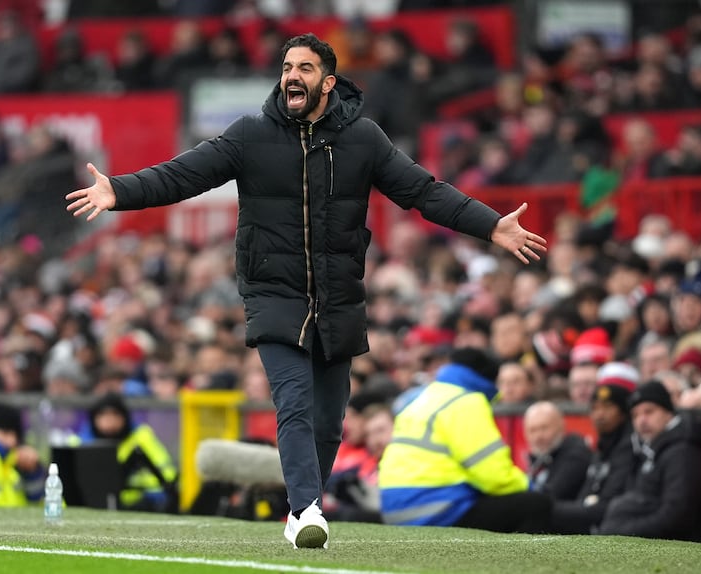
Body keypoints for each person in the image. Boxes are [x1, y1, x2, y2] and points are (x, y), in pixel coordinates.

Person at [66, 33, 547, 549]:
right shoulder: (250, 135)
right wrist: (119, 191)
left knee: (329, 419)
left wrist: (492, 226)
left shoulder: (364, 139)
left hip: (339, 298)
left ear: (328, 82)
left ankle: (303, 508)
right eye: (287, 66)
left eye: (305, 68)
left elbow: (424, 192)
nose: (292, 75)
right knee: (293, 402)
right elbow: (185, 175)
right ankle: (306, 508)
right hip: (273, 294)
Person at [378, 348, 551, 533]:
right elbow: (493, 475)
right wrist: (530, 485)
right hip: (437, 508)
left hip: (393, 508)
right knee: (537, 504)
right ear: (488, 380)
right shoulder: (467, 401)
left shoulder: (423, 397)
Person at [598, 380, 701, 540]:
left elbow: (677, 516)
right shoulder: (649, 448)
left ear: (668, 412)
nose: (642, 420)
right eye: (635, 415)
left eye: (649, 412)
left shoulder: (683, 451)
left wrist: (622, 531)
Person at [550, 362, 638, 534]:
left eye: (608, 407)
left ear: (623, 413)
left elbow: (608, 503)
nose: (600, 415)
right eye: (595, 408)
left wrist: (551, 509)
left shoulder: (628, 447)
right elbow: (586, 494)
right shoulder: (602, 447)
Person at [80, 393, 178, 513]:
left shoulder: (142, 437)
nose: (110, 420)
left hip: (140, 505)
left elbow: (166, 473)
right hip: (92, 506)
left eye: (115, 415)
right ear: (94, 418)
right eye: (103, 415)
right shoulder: (81, 442)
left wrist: (153, 495)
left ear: (124, 417)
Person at [523, 401, 592, 501]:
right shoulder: (539, 458)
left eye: (544, 428)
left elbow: (553, 496)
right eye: (532, 430)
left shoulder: (575, 455)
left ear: (561, 426)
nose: (538, 436)